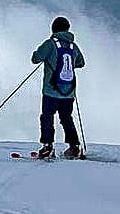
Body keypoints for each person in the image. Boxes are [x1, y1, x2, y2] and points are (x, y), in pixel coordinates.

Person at [31, 16, 85, 158]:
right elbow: (81, 63)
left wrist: (49, 60)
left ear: (53, 29)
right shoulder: (74, 46)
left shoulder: (50, 44)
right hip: (68, 91)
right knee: (66, 117)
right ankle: (75, 147)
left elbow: (35, 58)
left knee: (47, 116)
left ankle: (47, 147)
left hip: (51, 90)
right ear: (67, 29)